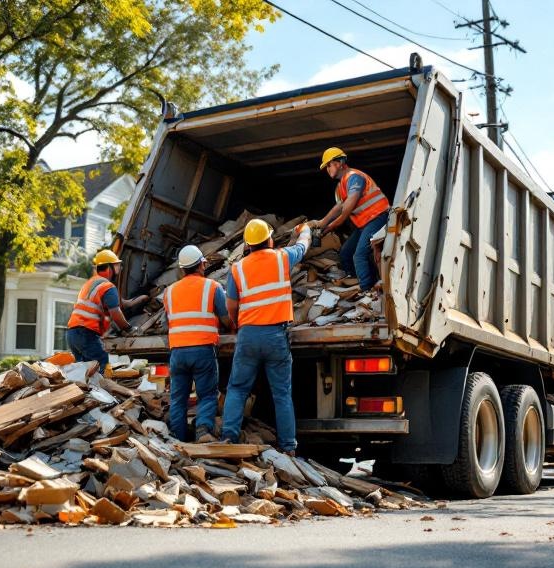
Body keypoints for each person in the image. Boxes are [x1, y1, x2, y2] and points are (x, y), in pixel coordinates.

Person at [221, 219, 312, 455]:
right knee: (281, 393)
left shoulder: (237, 268)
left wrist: (237, 323)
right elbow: (303, 247)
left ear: (248, 245)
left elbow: (231, 305)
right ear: (270, 240)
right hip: (275, 335)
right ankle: (288, 447)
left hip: (248, 335)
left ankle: (229, 439)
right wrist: (306, 230)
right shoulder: (281, 257)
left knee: (238, 388)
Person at [164, 244, 233, 443]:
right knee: (208, 394)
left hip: (177, 352)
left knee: (178, 398)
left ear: (181, 268)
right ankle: (203, 432)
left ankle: (177, 439)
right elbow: (226, 318)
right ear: (202, 265)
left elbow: (170, 320)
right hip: (202, 349)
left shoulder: (169, 292)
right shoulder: (212, 287)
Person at [310, 147, 390, 293]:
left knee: (359, 255)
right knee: (345, 253)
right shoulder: (341, 186)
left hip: (378, 217)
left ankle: (367, 290)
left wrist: (332, 225)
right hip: (364, 224)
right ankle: (355, 279)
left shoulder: (354, 177)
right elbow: (338, 207)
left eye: (329, 165)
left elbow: (347, 209)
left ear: (340, 162)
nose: (327, 169)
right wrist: (322, 224)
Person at [66, 249, 148, 374]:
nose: (120, 269)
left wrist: (141, 299)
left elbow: (122, 304)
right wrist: (128, 328)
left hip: (72, 334)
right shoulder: (108, 286)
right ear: (109, 268)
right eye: (117, 266)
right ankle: (99, 392)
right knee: (101, 365)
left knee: (83, 373)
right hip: (86, 334)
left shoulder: (91, 283)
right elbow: (116, 313)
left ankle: (83, 392)